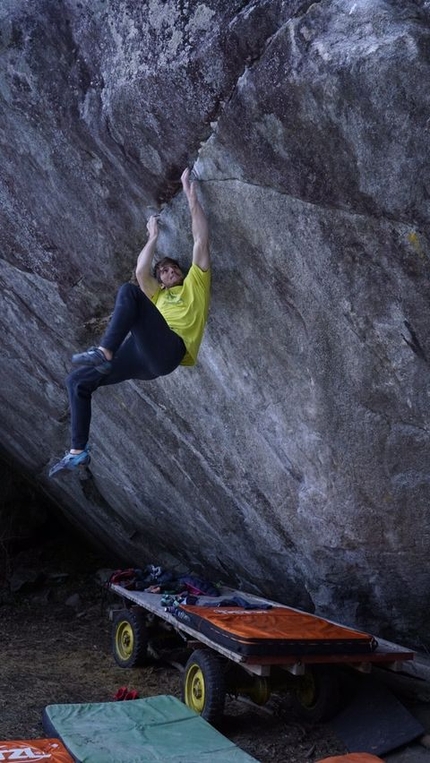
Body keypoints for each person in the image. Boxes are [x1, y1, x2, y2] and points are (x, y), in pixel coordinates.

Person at [49, 168, 210, 476]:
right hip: (141, 358)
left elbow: (201, 239)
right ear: (160, 283)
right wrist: (153, 236)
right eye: (162, 272)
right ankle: (78, 451)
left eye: (173, 268)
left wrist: (190, 194)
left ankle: (105, 352)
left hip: (169, 352)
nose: (168, 272)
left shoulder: (196, 285)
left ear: (183, 272)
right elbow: (141, 272)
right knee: (78, 381)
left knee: (129, 293)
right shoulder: (159, 298)